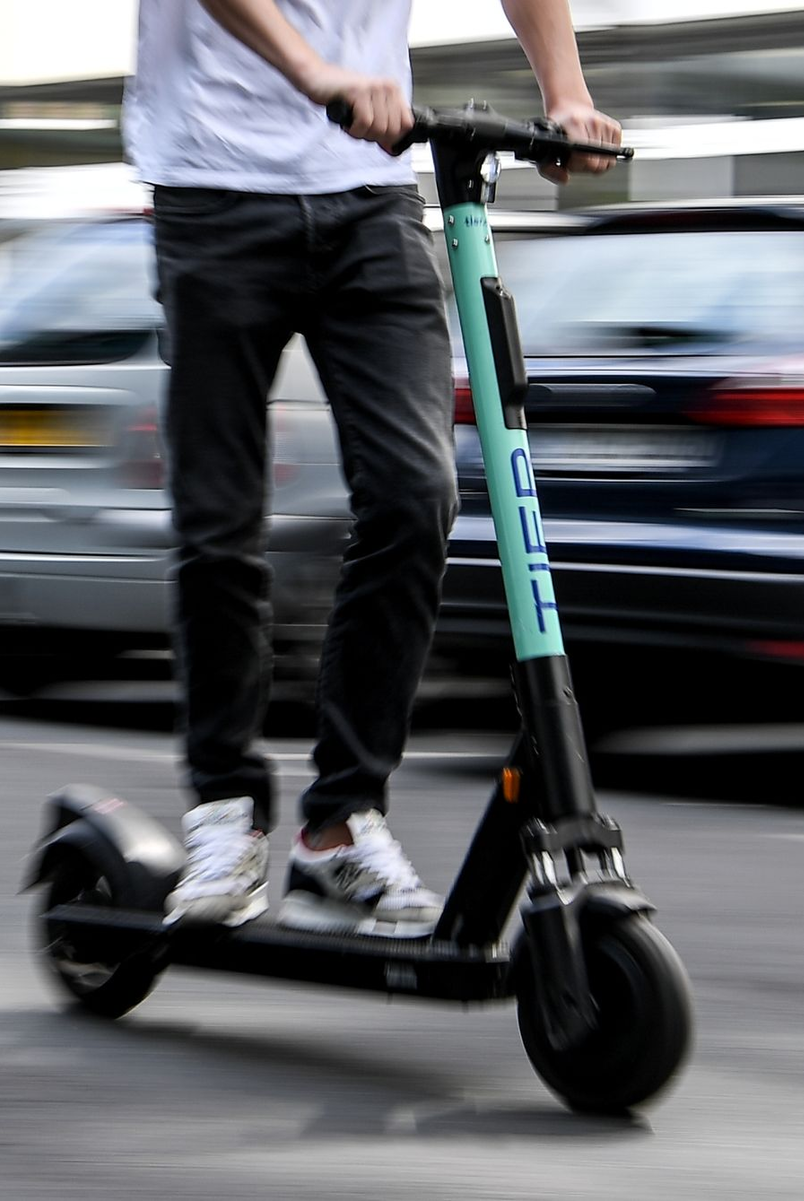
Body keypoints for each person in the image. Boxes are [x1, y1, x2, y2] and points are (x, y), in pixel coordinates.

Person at [123, 0, 620, 937]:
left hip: (372, 196)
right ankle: (225, 815)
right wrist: (319, 73)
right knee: (221, 523)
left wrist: (566, 93)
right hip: (213, 187)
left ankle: (341, 821)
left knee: (415, 496)